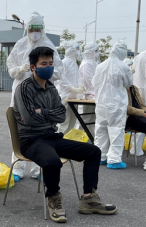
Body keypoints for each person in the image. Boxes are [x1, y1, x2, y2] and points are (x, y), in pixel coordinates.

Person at [13, 46, 117, 223]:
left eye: (50, 63)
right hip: (31, 141)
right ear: (33, 67)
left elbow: (61, 115)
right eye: (43, 63)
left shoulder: (52, 89)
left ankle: (88, 199)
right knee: (52, 162)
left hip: (52, 137)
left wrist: (42, 112)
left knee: (93, 151)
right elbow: (29, 119)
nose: (48, 67)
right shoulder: (24, 88)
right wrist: (47, 114)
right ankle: (53, 198)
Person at [6, 11, 70, 181]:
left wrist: (43, 70)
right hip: (21, 95)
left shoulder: (49, 47)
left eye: (37, 29)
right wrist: (20, 69)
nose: (34, 32)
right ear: (27, 29)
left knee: (43, 131)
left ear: (43, 29)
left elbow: (58, 72)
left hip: (42, 95)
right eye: (31, 28)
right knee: (19, 131)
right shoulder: (19, 45)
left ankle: (39, 169)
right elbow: (11, 68)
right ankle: (18, 167)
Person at [92, 40, 133, 169]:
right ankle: (114, 159)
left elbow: (94, 83)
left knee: (101, 129)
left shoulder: (100, 66)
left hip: (101, 104)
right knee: (116, 130)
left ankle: (100, 156)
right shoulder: (123, 66)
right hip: (116, 104)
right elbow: (129, 83)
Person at [56, 41, 84, 134]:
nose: (78, 51)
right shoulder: (64, 62)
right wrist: (71, 88)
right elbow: (61, 78)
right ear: (71, 50)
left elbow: (77, 77)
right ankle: (60, 144)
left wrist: (80, 86)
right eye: (76, 49)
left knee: (72, 123)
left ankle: (68, 144)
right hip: (65, 96)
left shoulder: (74, 63)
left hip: (73, 97)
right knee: (64, 123)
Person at [75, 42, 99, 137]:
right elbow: (88, 80)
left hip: (95, 93)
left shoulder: (94, 63)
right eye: (95, 51)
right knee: (86, 118)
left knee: (92, 119)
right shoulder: (86, 64)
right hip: (89, 94)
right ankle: (79, 138)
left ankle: (90, 139)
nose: (97, 53)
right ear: (90, 51)